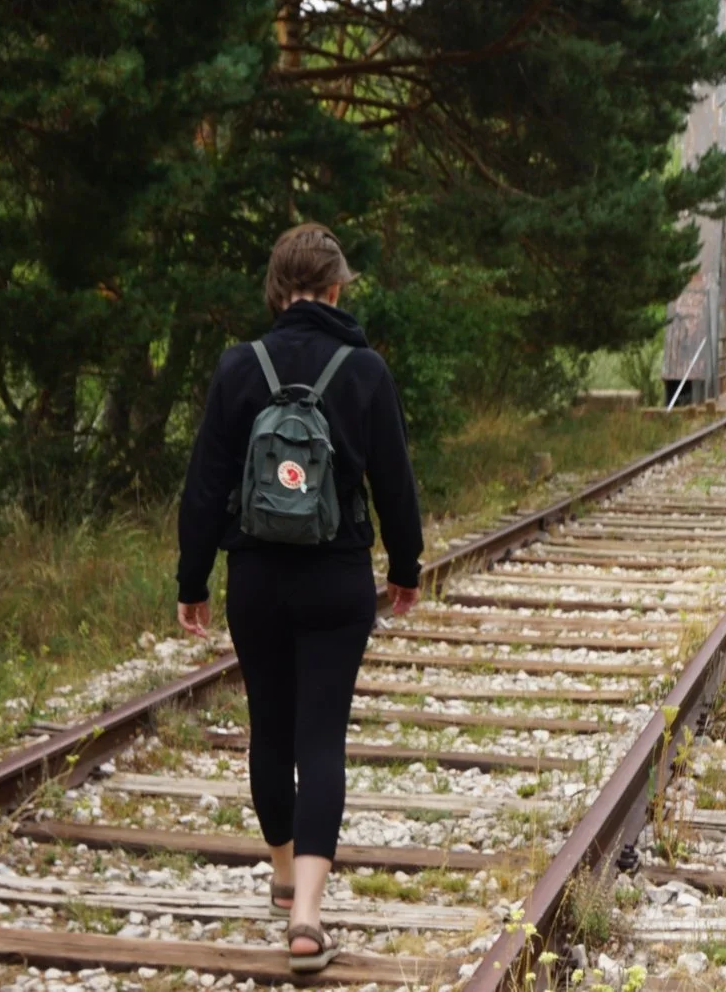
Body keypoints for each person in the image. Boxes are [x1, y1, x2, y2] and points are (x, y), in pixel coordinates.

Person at [175, 224, 424, 973]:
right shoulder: (366, 370)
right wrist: (405, 566)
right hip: (337, 580)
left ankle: (281, 871)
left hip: (255, 579)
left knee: (270, 731)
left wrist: (193, 582)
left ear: (278, 290)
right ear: (337, 287)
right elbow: (396, 483)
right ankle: (310, 918)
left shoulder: (237, 367)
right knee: (321, 739)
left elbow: (203, 487)